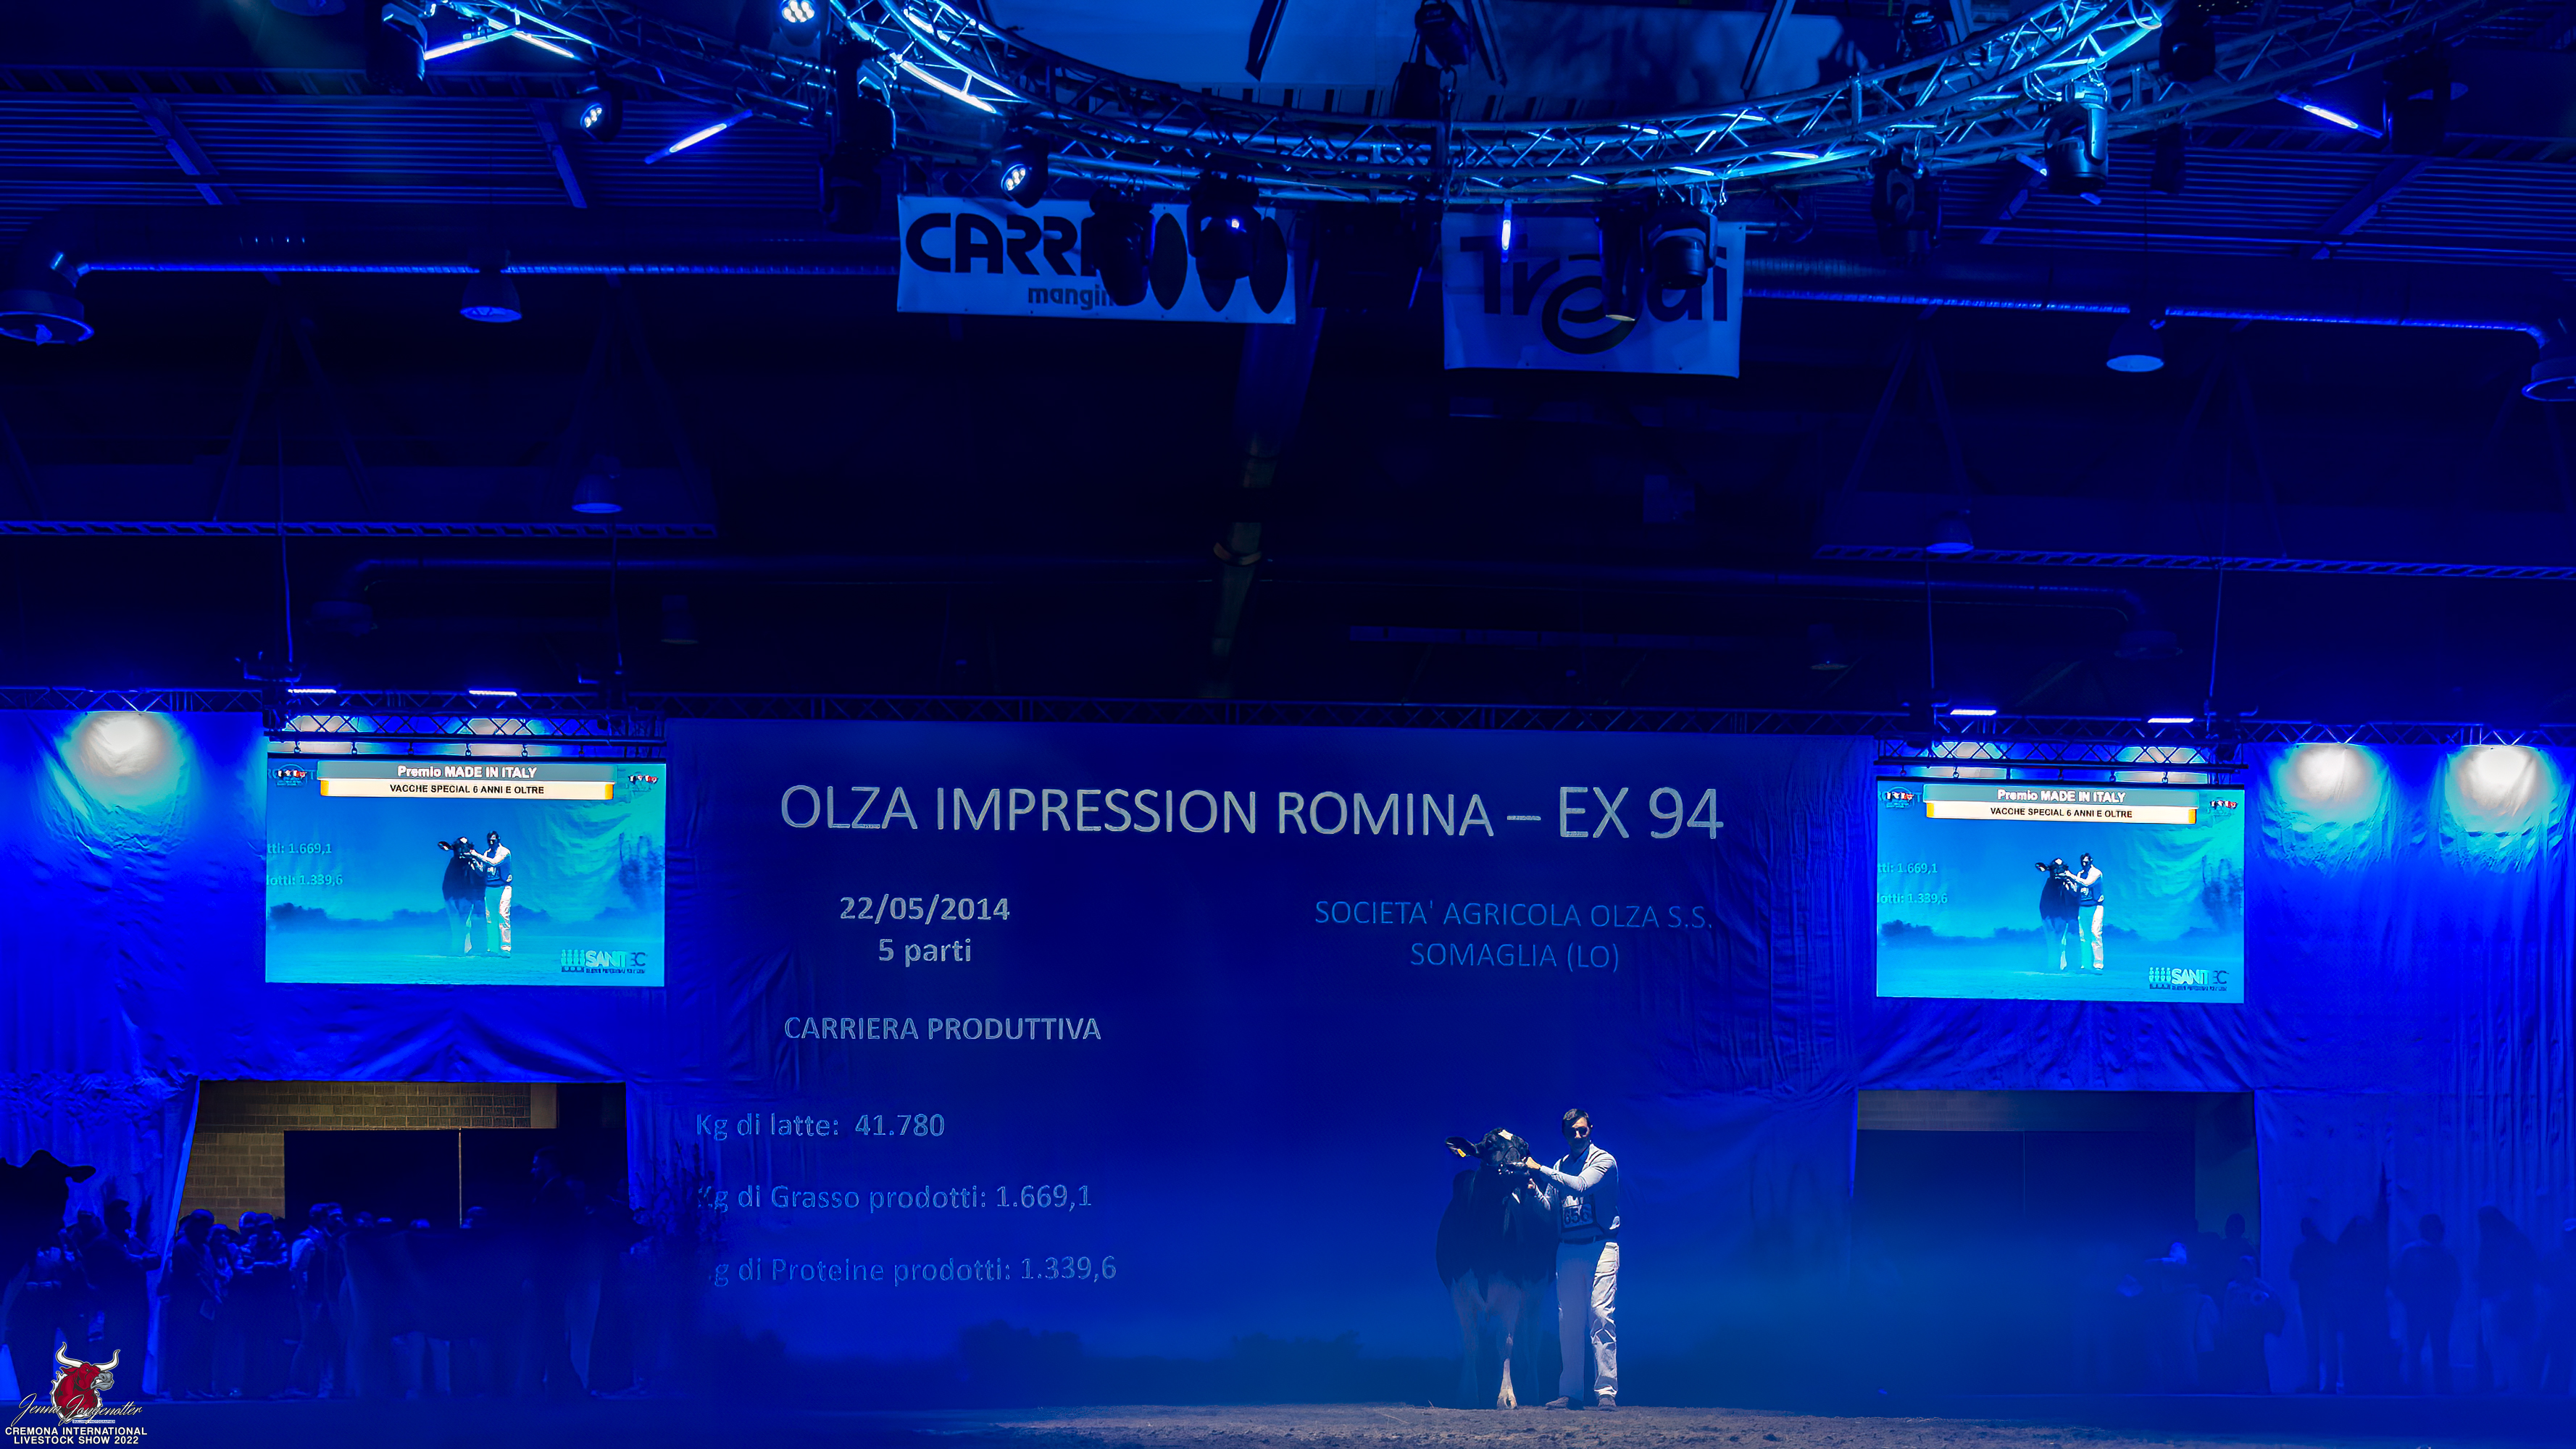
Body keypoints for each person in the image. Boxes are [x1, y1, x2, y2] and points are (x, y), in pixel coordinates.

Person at [1523, 1108, 1618, 1411]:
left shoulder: (1604, 1161)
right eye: (1572, 1131)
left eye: (1582, 1130)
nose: (1578, 1135)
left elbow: (1581, 1186)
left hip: (1600, 1246)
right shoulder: (1560, 1166)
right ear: (1564, 1134)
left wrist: (1539, 1169)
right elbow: (1550, 1209)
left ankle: (1606, 1392)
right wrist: (1534, 1193)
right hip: (1568, 1249)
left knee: (1600, 1315)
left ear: (1591, 1129)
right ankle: (1571, 1392)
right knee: (1569, 1322)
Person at [2393, 1212, 2460, 1393]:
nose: (2438, 1231)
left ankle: (2443, 1389)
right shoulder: (2410, 1252)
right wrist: (2408, 1300)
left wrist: (2450, 1303)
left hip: (2439, 1310)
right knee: (2415, 1348)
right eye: (2434, 1227)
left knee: (2440, 1349)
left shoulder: (2445, 1253)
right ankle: (2415, 1388)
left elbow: (2455, 1282)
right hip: (2418, 1309)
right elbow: (2396, 1279)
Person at [2477, 1206, 2540, 1392]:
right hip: (2492, 1298)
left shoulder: (2515, 1239)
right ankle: (2499, 1381)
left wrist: (2514, 1289)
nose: (2485, 1226)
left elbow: (2529, 1268)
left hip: (2513, 1298)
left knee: (2515, 1341)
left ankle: (2520, 1383)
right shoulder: (2488, 1240)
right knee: (2491, 1342)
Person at [2291, 1216, 2339, 1391]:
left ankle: (2329, 1382)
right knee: (2314, 1342)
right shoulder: (2303, 1250)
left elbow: (2335, 1271)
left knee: (2327, 1342)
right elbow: (2293, 1273)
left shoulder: (2325, 1248)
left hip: (2323, 1301)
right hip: (2311, 1302)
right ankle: (2316, 1382)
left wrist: (2309, 1272)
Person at [468, 830, 515, 956]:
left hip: (503, 888)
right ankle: (493, 948)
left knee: (503, 916)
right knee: (491, 919)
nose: (491, 843)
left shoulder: (505, 852)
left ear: (498, 840)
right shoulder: (487, 853)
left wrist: (476, 855)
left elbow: (494, 862)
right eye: (489, 841)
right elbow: (482, 871)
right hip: (489, 888)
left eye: (493, 840)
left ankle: (505, 948)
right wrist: (473, 860)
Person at [435, 837, 485, 956]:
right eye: (459, 848)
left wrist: (474, 859)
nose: (462, 852)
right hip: (452, 895)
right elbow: (447, 884)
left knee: (466, 922)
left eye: (465, 848)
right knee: (455, 920)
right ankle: (457, 948)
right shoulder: (454, 864)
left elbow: (481, 874)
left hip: (467, 895)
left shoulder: (472, 863)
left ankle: (466, 948)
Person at [2034, 859, 2080, 971]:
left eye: (2060, 868)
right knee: (2051, 939)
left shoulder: (2066, 883)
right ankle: (2053, 965)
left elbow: (2074, 894)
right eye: (2055, 868)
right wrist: (2045, 917)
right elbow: (2043, 903)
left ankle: (2060, 966)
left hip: (2061, 915)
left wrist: (2068, 878)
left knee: (2061, 940)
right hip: (2049, 915)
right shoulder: (2050, 884)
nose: (2057, 871)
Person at [2070, 851, 2107, 971]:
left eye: (2086, 862)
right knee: (2084, 937)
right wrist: (2068, 880)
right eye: (2082, 863)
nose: (2084, 865)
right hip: (2083, 907)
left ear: (2091, 861)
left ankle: (2098, 965)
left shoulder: (2096, 873)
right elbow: (2076, 890)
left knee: (2096, 934)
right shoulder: (2080, 874)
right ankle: (2085, 965)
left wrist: (2070, 875)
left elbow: (2087, 883)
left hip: (2096, 907)